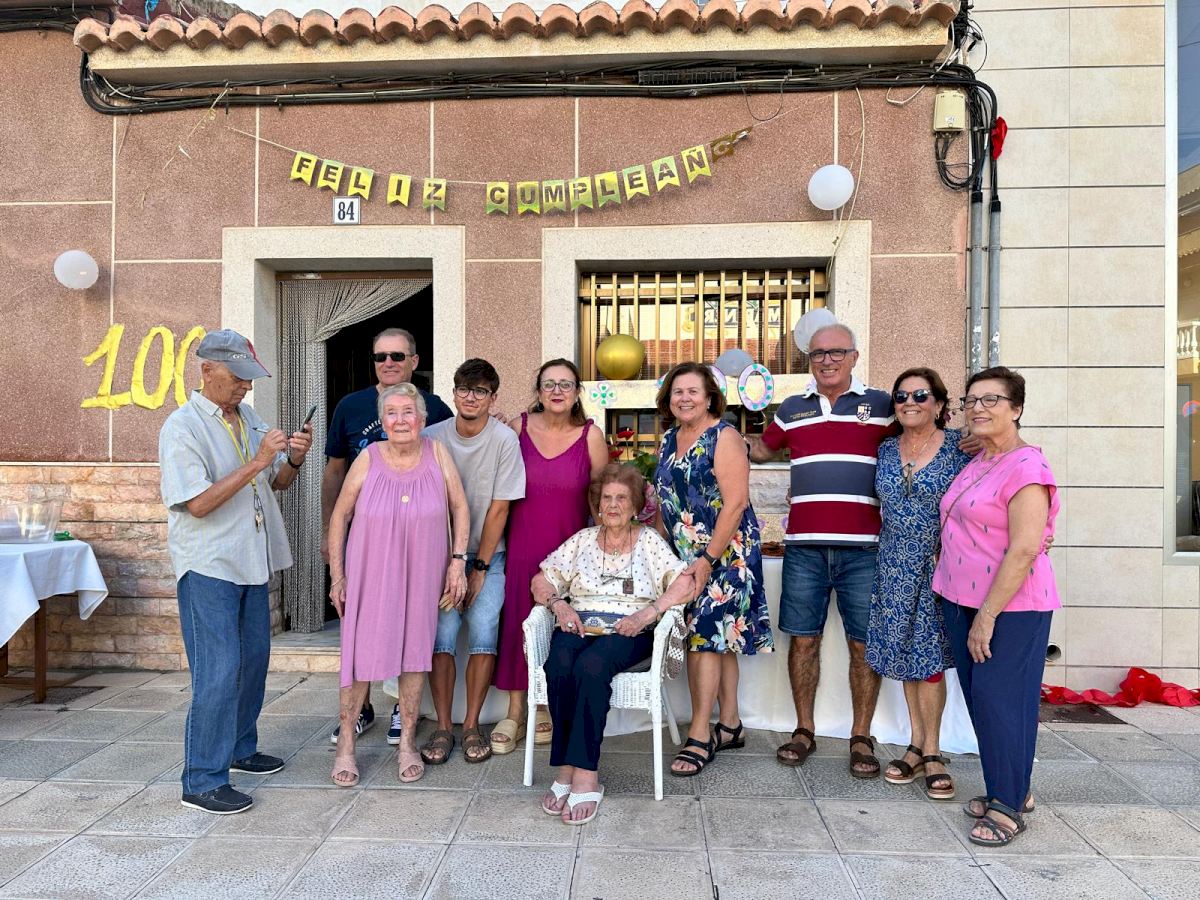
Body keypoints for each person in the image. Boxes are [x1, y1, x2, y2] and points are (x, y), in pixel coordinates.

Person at [158, 329, 313, 814]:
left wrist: (293, 459)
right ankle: (202, 780)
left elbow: (278, 482)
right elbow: (198, 503)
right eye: (239, 377)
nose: (247, 386)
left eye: (250, 378)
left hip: (251, 559)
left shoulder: (246, 416)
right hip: (209, 564)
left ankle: (240, 749)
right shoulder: (181, 428)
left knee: (253, 663)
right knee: (218, 671)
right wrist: (258, 459)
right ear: (207, 370)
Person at [747, 322, 897, 778]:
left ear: (854, 356)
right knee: (803, 640)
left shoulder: (884, 405)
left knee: (863, 644)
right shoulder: (792, 409)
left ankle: (861, 737)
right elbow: (762, 451)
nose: (827, 361)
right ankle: (804, 730)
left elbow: (920, 436)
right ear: (809, 360)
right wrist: (718, 432)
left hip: (864, 550)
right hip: (805, 548)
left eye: (836, 352)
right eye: (818, 354)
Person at [531, 464, 699, 824]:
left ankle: (585, 774)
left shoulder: (649, 542)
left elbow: (686, 583)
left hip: (630, 629)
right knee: (559, 663)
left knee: (591, 667)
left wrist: (649, 613)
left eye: (622, 498)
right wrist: (559, 605)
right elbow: (541, 580)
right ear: (597, 504)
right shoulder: (582, 540)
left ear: (635, 505)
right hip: (580, 623)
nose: (613, 505)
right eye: (606, 498)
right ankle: (565, 768)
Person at [935, 366, 1060, 848]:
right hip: (961, 598)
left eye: (992, 400)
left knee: (1002, 701)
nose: (978, 408)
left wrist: (987, 616)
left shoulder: (1028, 467)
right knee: (983, 701)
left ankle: (1007, 805)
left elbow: (1025, 548)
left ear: (1017, 408)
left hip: (1010, 606)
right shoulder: (981, 458)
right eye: (971, 401)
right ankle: (1011, 788)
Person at [326, 383, 470, 786]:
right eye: (392, 413)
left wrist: (457, 563)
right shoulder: (368, 458)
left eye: (408, 412)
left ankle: (407, 742)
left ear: (422, 419)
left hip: (423, 572)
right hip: (369, 573)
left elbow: (460, 506)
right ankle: (346, 746)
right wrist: (338, 575)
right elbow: (340, 516)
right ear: (382, 421)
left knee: (414, 654)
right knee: (359, 657)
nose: (401, 420)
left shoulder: (437, 453)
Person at [322, 327, 452, 746]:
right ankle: (359, 713)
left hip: (417, 544)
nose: (389, 363)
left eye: (397, 355)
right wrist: (329, 533)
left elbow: (459, 441)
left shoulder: (435, 407)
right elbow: (335, 472)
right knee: (364, 632)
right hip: (369, 542)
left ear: (414, 361)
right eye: (381, 357)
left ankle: (402, 711)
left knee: (411, 629)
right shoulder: (350, 406)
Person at [653, 362, 773, 776]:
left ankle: (700, 734)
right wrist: (659, 553)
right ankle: (731, 725)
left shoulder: (724, 436)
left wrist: (706, 560)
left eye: (693, 391)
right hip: (684, 555)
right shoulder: (669, 439)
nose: (684, 398)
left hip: (726, 554)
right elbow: (665, 501)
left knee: (704, 637)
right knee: (720, 637)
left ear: (709, 398)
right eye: (677, 391)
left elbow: (736, 504)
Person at [490, 359, 608, 754]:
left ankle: (544, 706)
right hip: (523, 544)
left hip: (570, 552)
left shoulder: (591, 436)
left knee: (559, 628)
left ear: (577, 393)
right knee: (517, 624)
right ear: (539, 391)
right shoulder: (517, 428)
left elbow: (601, 500)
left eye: (566, 384)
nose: (557, 391)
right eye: (549, 384)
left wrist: (606, 554)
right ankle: (515, 710)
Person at [866, 368, 971, 800]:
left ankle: (932, 751)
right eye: (902, 396)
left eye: (921, 395)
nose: (910, 402)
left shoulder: (960, 448)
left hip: (937, 566)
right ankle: (915, 743)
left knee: (929, 662)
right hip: (893, 566)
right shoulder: (885, 449)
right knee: (907, 655)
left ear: (940, 404)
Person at [420, 359, 526, 766]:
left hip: (489, 556)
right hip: (438, 558)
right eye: (464, 389)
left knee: (484, 633)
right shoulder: (432, 437)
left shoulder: (504, 440)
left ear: (492, 398)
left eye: (480, 391)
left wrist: (478, 570)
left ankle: (471, 725)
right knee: (441, 637)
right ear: (453, 393)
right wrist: (451, 565)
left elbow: (500, 509)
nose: (470, 397)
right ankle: (443, 726)